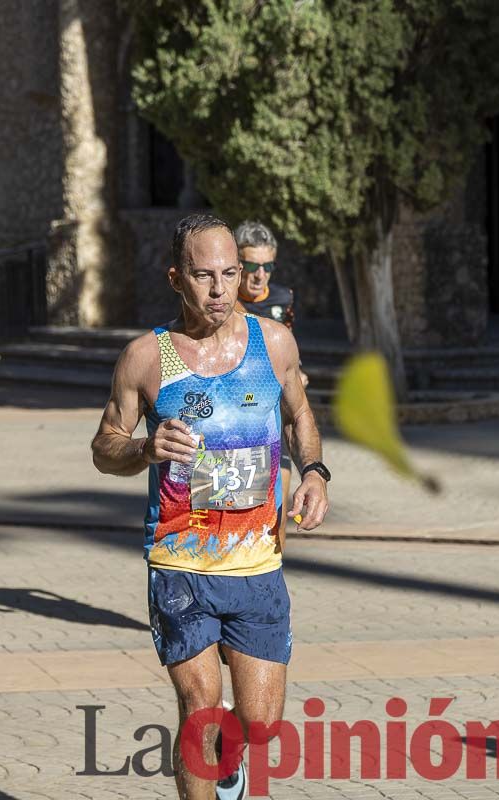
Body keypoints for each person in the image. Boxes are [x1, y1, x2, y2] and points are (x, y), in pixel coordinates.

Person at [91, 213, 331, 798]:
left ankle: (234, 759)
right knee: (199, 710)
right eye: (204, 275)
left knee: (261, 725)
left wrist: (315, 473)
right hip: (181, 565)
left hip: (256, 564)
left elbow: (300, 414)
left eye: (230, 273)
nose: (220, 289)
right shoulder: (149, 356)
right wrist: (146, 448)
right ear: (177, 278)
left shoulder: (272, 343)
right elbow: (104, 448)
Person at [233, 220, 307, 536]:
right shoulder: (219, 302)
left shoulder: (282, 299)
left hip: (273, 417)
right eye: (250, 264)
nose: (259, 274)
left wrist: (297, 372)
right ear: (235, 264)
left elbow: (289, 349)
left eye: (267, 266)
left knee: (276, 519)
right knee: (236, 518)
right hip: (233, 421)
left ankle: (273, 579)